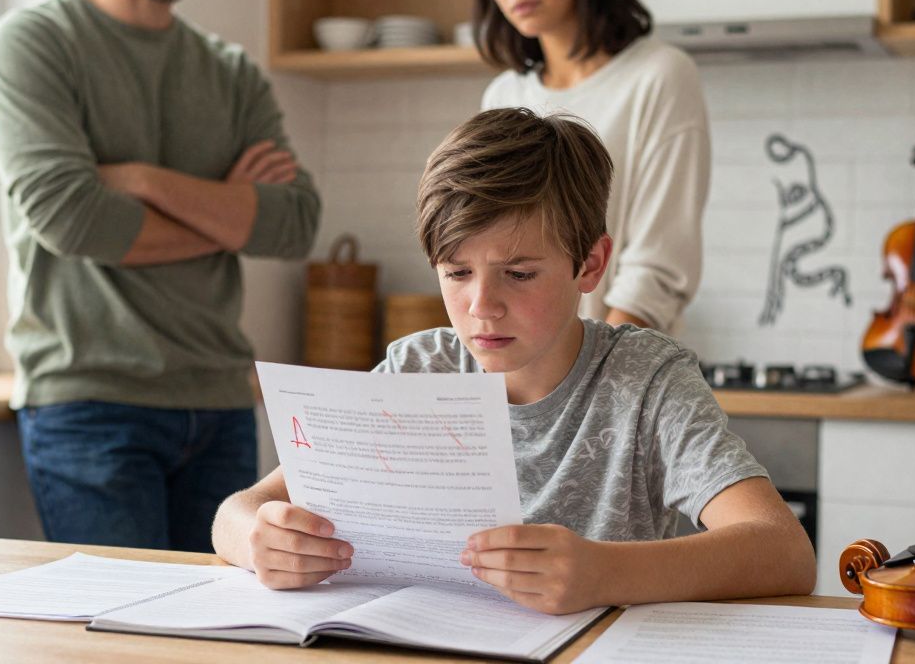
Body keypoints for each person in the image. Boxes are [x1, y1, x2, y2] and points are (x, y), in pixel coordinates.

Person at [212, 108, 815, 615]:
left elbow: (784, 552)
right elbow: (235, 514)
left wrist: (604, 573)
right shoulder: (416, 371)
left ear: (590, 266)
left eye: (519, 274)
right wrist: (256, 540)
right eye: (457, 273)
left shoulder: (647, 380)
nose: (483, 308)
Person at [0, 0, 320, 552]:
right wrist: (224, 209)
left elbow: (294, 222)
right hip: (89, 400)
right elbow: (73, 219)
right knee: (119, 641)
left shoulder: (232, 72)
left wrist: (139, 178)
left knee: (224, 644)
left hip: (221, 401)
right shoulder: (36, 41)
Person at [474, 0, 710, 333]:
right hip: (521, 377)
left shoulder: (659, 77)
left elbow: (658, 266)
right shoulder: (503, 95)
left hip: (621, 371)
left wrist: (595, 375)